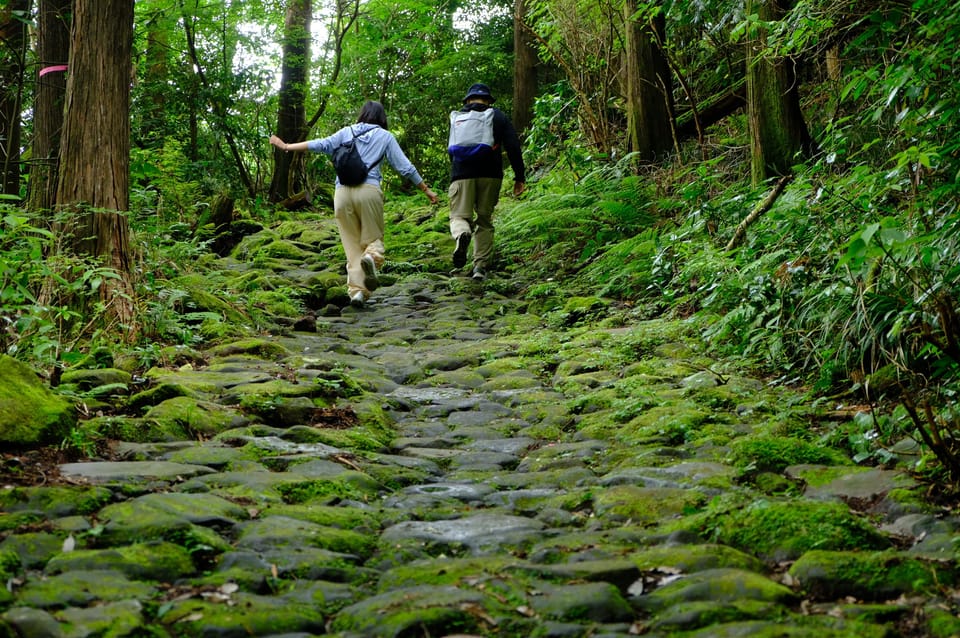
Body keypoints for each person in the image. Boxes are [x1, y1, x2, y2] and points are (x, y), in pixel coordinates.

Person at [269, 101, 438, 309]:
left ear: (362, 114)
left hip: (342, 194)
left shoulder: (345, 132)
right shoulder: (385, 137)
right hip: (368, 191)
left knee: (351, 246)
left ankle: (357, 292)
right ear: (382, 118)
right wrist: (425, 189)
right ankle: (371, 257)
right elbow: (405, 167)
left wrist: (286, 146)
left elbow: (320, 144)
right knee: (373, 239)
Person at [448, 83, 526, 281]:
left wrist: (456, 173)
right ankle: (479, 267)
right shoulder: (497, 116)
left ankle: (462, 234)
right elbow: (513, 146)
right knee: (484, 220)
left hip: (461, 175)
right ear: (489, 101)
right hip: (491, 176)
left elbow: (452, 149)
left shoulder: (457, 117)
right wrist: (520, 177)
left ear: (467, 100)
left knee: (458, 216)